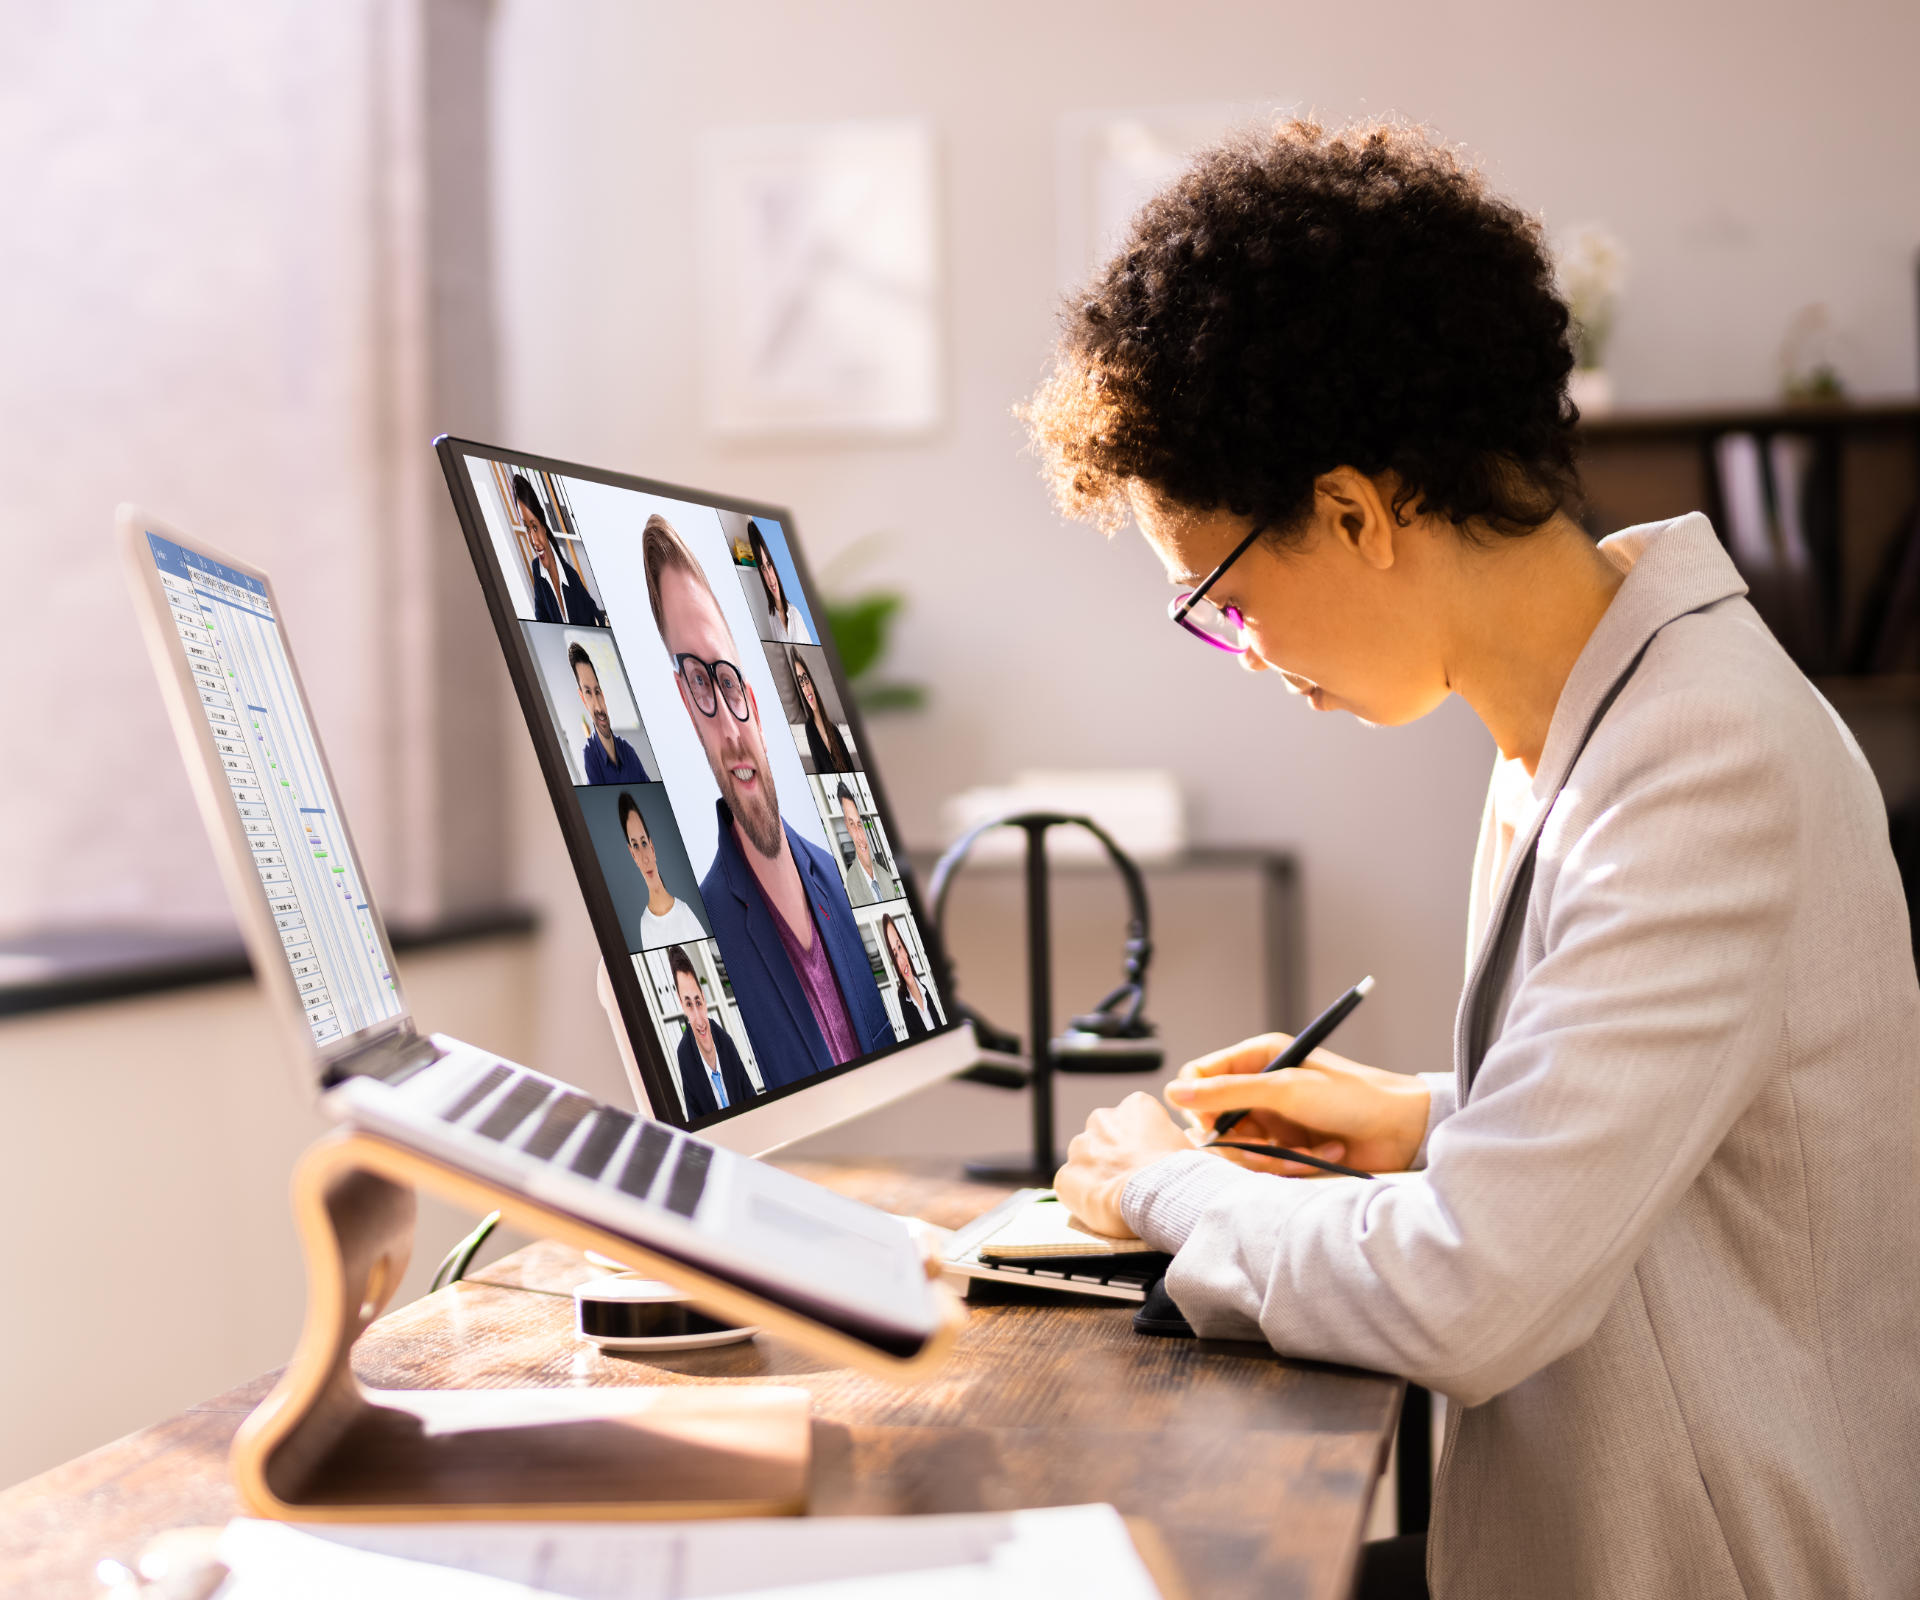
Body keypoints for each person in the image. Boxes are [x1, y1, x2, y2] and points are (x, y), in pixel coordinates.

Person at [1033, 121, 1920, 1600]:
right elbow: (1701, 1122)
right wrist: (1433, 1119)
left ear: (1354, 513)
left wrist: (1165, 1189)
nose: (1240, 657)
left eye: (1224, 603)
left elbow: (1469, 1292)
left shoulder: (1707, 761)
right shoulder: (1579, 721)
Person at [641, 511, 894, 1090]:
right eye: (700, 685)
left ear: (751, 696)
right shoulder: (708, 927)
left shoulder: (838, 877)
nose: (729, 730)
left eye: (726, 680)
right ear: (685, 703)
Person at [665, 943, 756, 1118]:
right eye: (689, 1004)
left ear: (704, 998)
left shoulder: (725, 1041)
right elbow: (696, 1119)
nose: (699, 1019)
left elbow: (751, 1098)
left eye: (698, 1002)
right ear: (681, 1004)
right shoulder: (685, 1055)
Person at [514, 473, 606, 626]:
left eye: (535, 527)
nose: (533, 540)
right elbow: (542, 621)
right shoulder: (537, 568)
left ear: (544, 526)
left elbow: (597, 619)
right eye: (527, 528)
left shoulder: (570, 576)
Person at [618, 790, 705, 949]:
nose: (644, 858)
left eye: (644, 843)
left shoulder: (684, 912)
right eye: (636, 846)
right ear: (632, 855)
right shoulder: (645, 926)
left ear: (652, 847)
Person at [571, 642, 649, 783]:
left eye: (597, 691)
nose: (599, 708)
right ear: (583, 698)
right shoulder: (589, 756)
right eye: (588, 693)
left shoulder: (628, 750)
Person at [788, 647, 853, 774]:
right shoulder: (810, 729)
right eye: (801, 682)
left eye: (806, 679)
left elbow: (850, 766)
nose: (806, 688)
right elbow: (819, 769)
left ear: (812, 682)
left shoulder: (834, 730)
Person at [880, 911, 942, 1040]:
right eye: (895, 955)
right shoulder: (903, 998)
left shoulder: (924, 989)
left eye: (899, 947)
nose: (901, 960)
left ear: (906, 950)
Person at [835, 780, 899, 906]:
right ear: (846, 826)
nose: (860, 837)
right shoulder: (850, 883)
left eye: (859, 824)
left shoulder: (885, 875)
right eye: (852, 824)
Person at [749, 518, 812, 644]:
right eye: (763, 569)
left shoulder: (794, 614)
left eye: (769, 565)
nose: (770, 577)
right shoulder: (772, 617)